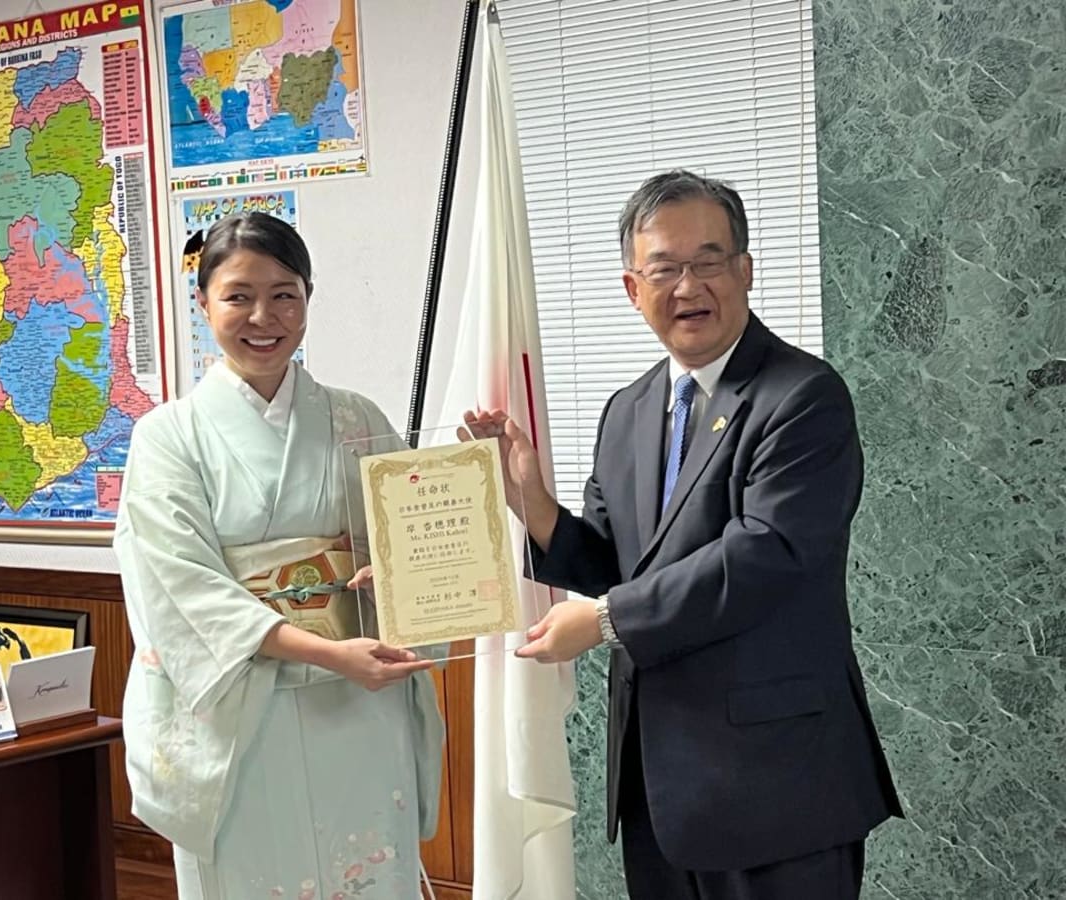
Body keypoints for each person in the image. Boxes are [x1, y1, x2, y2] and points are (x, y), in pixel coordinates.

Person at [463, 170, 902, 899]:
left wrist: (604, 622)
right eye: (664, 268)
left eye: (708, 261)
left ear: (745, 270)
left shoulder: (802, 397)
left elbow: (767, 553)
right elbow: (611, 561)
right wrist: (528, 498)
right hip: (661, 789)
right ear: (634, 289)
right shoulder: (628, 410)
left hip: (780, 785)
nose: (688, 285)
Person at [115, 213, 444, 899]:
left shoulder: (357, 419)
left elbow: (412, 541)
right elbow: (180, 586)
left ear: (307, 299)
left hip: (358, 703)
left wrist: (401, 569)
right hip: (243, 716)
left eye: (284, 294)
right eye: (238, 295)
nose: (263, 316)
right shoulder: (168, 438)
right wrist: (324, 651)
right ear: (202, 302)